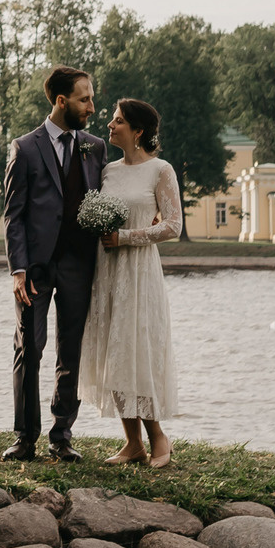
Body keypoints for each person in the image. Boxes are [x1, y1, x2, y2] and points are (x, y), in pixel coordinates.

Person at [1, 65, 109, 462]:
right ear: (61, 101)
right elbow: (14, 214)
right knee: (29, 348)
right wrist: (18, 268)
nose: (92, 107)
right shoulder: (25, 148)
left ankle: (61, 435)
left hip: (80, 265)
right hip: (35, 269)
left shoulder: (95, 147)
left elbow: (103, 199)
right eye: (85, 99)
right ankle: (25, 437)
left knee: (71, 351)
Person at [81, 95, 182, 467]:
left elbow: (173, 226)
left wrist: (126, 237)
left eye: (118, 120)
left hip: (139, 272)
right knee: (115, 352)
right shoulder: (107, 171)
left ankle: (158, 438)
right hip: (107, 272)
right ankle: (131, 443)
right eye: (112, 119)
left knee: (139, 352)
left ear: (138, 131)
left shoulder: (161, 170)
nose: (110, 125)